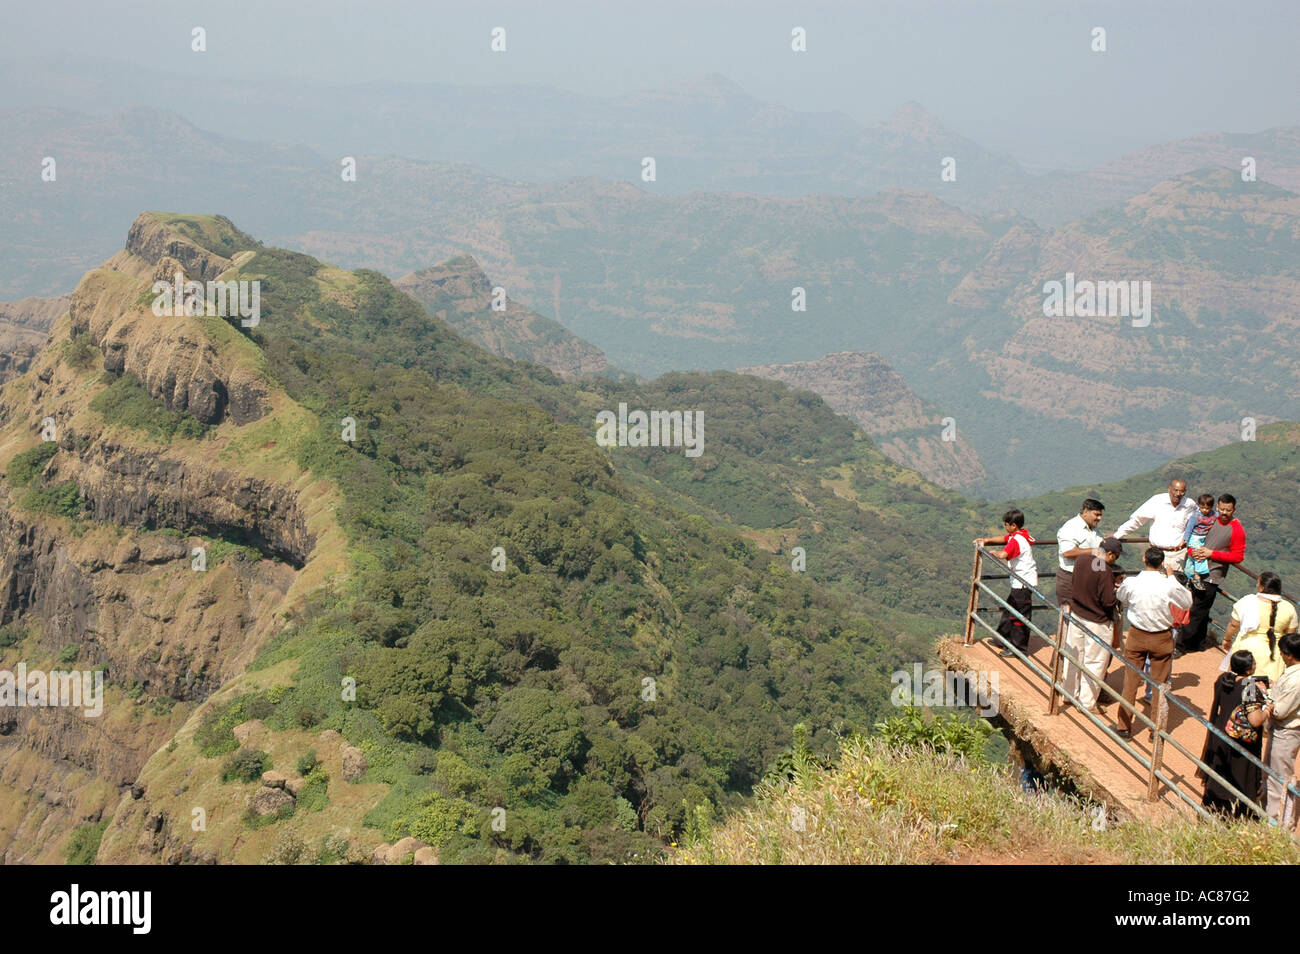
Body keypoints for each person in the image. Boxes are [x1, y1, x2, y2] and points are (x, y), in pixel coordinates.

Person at [1114, 547, 1192, 739]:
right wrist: (1172, 577)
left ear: (1144, 559)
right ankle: (1156, 731)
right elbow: (1187, 602)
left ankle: (1124, 726)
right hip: (1161, 636)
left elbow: (1121, 597)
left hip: (1137, 634)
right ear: (1162, 563)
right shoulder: (1168, 585)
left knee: (1130, 681)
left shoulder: (1132, 582)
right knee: (1159, 685)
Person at [1198, 650, 1269, 817]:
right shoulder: (1250, 688)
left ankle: (1213, 809)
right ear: (1250, 668)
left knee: (1220, 772)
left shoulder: (1223, 679)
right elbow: (1255, 720)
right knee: (1239, 776)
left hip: (1220, 734)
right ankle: (1234, 814)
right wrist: (1267, 710)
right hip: (1240, 740)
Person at [1176, 494, 1246, 656]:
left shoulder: (1237, 529)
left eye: (1228, 510)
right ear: (1217, 507)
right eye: (1222, 509)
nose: (1224, 513)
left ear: (1234, 510)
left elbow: (1238, 556)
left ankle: (1180, 646)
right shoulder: (1211, 519)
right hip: (1196, 569)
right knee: (1202, 609)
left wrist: (1211, 554)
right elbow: (1195, 537)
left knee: (1196, 609)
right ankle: (1198, 643)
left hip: (1213, 573)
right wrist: (1194, 552)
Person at [1061, 536, 1122, 714]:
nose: (1115, 560)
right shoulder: (1105, 571)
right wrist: (1117, 595)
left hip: (1078, 614)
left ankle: (1068, 693)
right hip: (1097, 620)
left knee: (1074, 656)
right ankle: (1086, 703)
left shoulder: (1082, 560)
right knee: (1095, 662)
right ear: (1110, 554)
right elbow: (1108, 601)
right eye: (1116, 556)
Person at [975, 509, 1036, 657]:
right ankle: (1001, 638)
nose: (1005, 527)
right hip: (1021, 581)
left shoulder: (1016, 540)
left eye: (1006, 525)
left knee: (1019, 616)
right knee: (1009, 610)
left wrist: (994, 552)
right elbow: (1004, 538)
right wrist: (987, 540)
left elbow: (1004, 554)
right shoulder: (1022, 534)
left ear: (1013, 525)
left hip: (1022, 583)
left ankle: (1018, 648)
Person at [1221, 571, 1297, 684]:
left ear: (1262, 587)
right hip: (1275, 654)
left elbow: (1233, 625)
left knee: (1240, 683)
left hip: (1247, 649)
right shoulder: (1289, 608)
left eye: (1258, 582)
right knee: (1265, 686)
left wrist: (1227, 639)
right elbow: (1290, 636)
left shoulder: (1247, 602)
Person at [1112, 478, 1197, 574]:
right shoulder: (1157, 501)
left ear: (1185, 492)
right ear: (1169, 489)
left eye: (1181, 491)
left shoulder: (1190, 505)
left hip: (1178, 555)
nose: (1178, 494)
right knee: (1155, 581)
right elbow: (1137, 520)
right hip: (1156, 554)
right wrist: (1116, 536)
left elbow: (1198, 522)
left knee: (1176, 581)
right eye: (1175, 490)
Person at [1263, 632, 1300, 827]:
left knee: (1279, 778)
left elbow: (1280, 711)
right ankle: (1273, 814)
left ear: (1289, 655)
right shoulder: (1292, 672)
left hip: (1287, 732)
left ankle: (1278, 822)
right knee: (1273, 773)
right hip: (1282, 730)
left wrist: (1265, 698)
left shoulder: (1296, 680)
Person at [1055, 499, 1105, 614]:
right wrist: (1094, 551)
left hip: (1090, 579)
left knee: (1088, 615)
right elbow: (1068, 552)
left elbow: (1100, 553)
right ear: (1086, 511)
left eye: (1100, 515)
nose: (1099, 518)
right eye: (1096, 514)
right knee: (1069, 615)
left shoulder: (1095, 530)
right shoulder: (1070, 528)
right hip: (1071, 578)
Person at [1181, 493, 1218, 589]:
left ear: (1211, 507)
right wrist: (1185, 540)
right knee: (1199, 555)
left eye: (1207, 508)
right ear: (1199, 505)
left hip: (1204, 538)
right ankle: (1197, 577)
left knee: (1191, 560)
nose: (1205, 510)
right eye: (1202, 508)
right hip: (1195, 538)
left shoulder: (1214, 514)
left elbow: (1221, 517)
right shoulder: (1195, 516)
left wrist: (1233, 520)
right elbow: (1189, 529)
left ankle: (1188, 577)